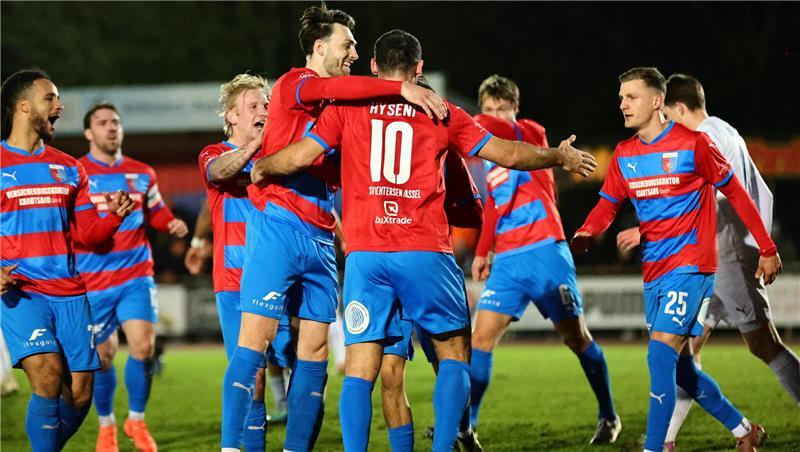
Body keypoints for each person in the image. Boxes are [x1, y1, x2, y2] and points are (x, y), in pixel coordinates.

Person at [250, 28, 596, 452]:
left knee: (360, 368)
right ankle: (445, 444)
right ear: (419, 68)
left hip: (366, 257)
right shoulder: (443, 113)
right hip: (424, 252)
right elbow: (506, 153)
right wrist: (558, 156)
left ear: (374, 68)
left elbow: (302, 154)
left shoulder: (344, 110)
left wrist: (263, 166)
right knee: (454, 354)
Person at [219, 5, 448, 452]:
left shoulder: (339, 106)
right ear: (320, 47)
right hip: (280, 227)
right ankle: (231, 447)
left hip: (322, 235)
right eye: (348, 44)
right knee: (254, 344)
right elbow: (337, 86)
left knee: (317, 355)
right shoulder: (296, 84)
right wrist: (400, 87)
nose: (355, 52)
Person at [571, 67, 782, 452]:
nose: (622, 104)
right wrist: (588, 230)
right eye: (620, 98)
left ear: (657, 101)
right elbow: (607, 203)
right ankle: (744, 430)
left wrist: (766, 247)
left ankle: (656, 447)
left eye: (631, 97)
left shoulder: (695, 144)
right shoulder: (625, 153)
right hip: (655, 269)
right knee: (683, 368)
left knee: (659, 356)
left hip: (693, 265)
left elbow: (736, 193)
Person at [469, 75, 621, 444]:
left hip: (544, 251)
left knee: (576, 338)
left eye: (501, 108)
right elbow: (493, 204)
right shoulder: (492, 156)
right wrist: (481, 251)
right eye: (487, 109)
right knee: (480, 341)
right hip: (507, 259)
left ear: (515, 109)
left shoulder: (530, 132)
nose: (494, 115)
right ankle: (465, 424)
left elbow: (503, 130)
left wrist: (467, 119)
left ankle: (608, 415)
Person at [1, 68, 134, 452]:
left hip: (71, 293)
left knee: (79, 396)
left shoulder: (70, 167)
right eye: (50, 98)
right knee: (47, 374)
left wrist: (114, 217)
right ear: (23, 106)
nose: (59, 106)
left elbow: (89, 232)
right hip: (21, 292)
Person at [74, 101, 188, 452]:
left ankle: (136, 421)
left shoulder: (142, 173)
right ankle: (106, 427)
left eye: (116, 122)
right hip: (92, 280)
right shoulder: (76, 173)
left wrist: (170, 222)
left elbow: (155, 211)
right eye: (103, 122)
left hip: (136, 274)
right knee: (104, 356)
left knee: (144, 345)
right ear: (88, 133)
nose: (112, 127)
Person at [379, 149, 485, 452]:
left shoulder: (370, 129)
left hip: (384, 265)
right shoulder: (438, 142)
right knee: (448, 361)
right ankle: (457, 432)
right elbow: (472, 212)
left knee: (398, 371)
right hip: (423, 263)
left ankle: (460, 430)